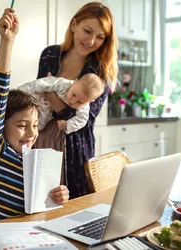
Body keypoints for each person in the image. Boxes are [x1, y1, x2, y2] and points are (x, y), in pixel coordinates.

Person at [0, 8, 69, 223]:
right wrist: (7, 42)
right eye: (22, 125)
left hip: (35, 233)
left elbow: (45, 208)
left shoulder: (33, 159)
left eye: (35, 125)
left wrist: (58, 196)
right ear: (1, 126)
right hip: (3, 235)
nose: (31, 133)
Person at [34, 2, 118, 199]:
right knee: (40, 203)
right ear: (74, 25)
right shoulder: (50, 54)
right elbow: (38, 97)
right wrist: (56, 101)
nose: (91, 41)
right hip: (42, 140)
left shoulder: (101, 70)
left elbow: (81, 119)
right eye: (87, 31)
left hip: (76, 148)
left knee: (74, 207)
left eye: (100, 37)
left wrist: (51, 96)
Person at [18, 73, 104, 134]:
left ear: (89, 101)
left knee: (38, 126)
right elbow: (41, 83)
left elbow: (82, 120)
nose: (73, 101)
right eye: (74, 95)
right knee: (22, 108)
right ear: (74, 82)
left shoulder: (84, 106)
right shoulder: (63, 84)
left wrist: (67, 125)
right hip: (38, 98)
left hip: (47, 112)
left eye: (80, 102)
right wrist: (22, 91)